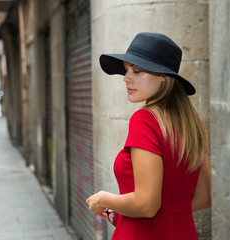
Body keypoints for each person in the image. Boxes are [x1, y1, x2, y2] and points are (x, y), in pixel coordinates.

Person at [86, 32, 211, 239]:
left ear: (164, 77)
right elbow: (205, 198)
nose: (126, 78)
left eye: (137, 71)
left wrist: (104, 199)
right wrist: (115, 213)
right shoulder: (193, 124)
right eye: (126, 70)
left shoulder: (145, 120)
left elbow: (146, 206)